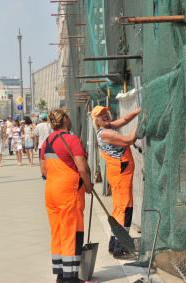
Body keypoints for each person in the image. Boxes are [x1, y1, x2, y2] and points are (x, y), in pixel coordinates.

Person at [40, 109, 93, 283]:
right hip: (68, 193)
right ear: (65, 120)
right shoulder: (72, 140)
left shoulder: (46, 142)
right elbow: (83, 168)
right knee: (71, 232)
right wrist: (87, 185)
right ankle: (70, 278)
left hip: (51, 192)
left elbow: (43, 170)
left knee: (57, 232)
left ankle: (61, 274)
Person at [91, 105, 140, 259]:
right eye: (101, 115)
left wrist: (138, 112)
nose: (105, 116)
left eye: (106, 113)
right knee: (125, 209)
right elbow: (129, 140)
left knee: (119, 209)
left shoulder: (109, 127)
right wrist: (143, 122)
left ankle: (114, 243)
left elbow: (124, 120)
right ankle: (121, 247)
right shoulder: (105, 133)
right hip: (121, 174)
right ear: (96, 120)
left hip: (120, 173)